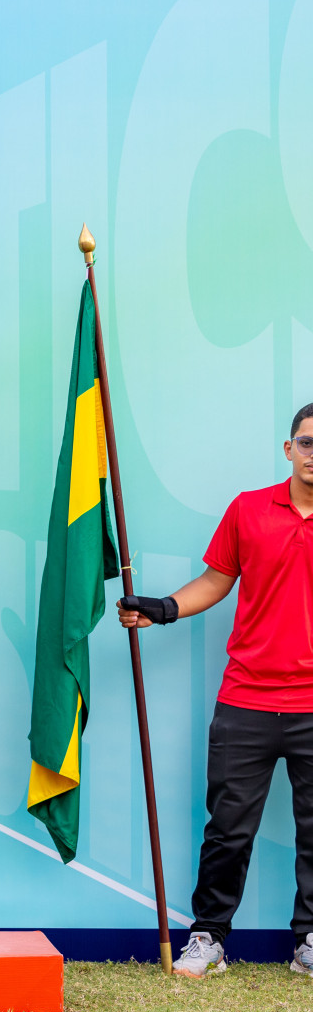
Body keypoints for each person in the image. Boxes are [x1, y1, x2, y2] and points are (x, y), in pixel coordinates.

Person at [121, 402, 313, 978]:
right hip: (246, 699)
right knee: (228, 829)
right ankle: (208, 938)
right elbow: (215, 581)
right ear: (289, 450)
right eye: (307, 443)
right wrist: (163, 609)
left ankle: (310, 941)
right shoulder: (249, 510)